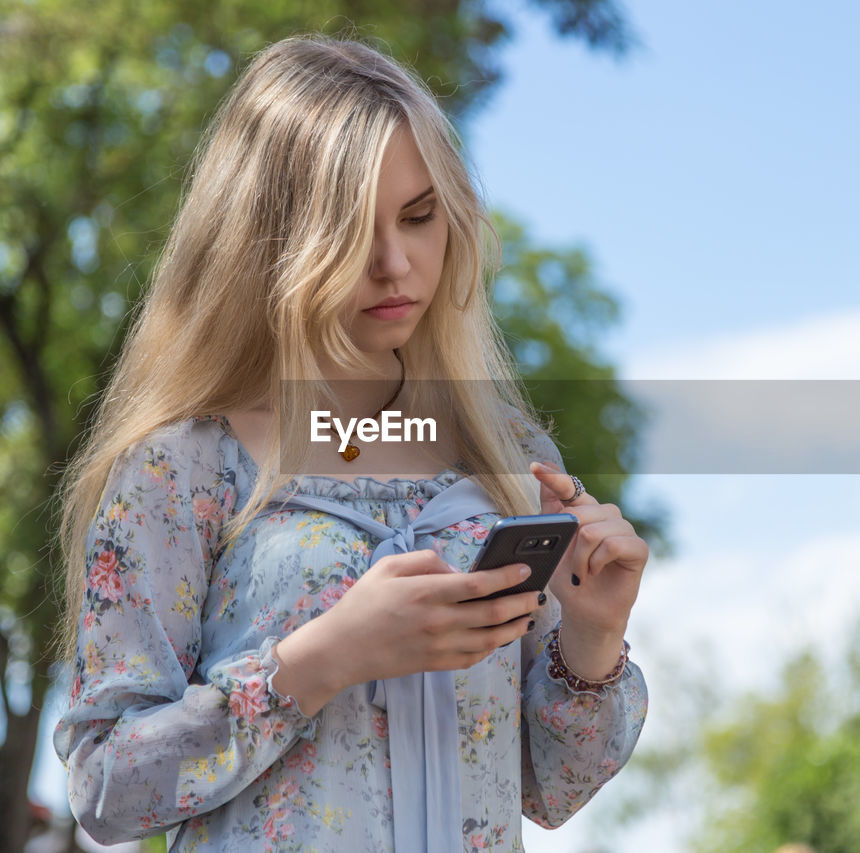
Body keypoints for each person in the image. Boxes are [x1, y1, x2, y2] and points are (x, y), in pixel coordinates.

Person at [53, 35, 649, 852]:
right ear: (266, 239)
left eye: (419, 215)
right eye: (349, 227)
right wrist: (322, 658)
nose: (395, 262)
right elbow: (103, 786)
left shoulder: (501, 450)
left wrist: (593, 636)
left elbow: (550, 789)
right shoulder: (183, 462)